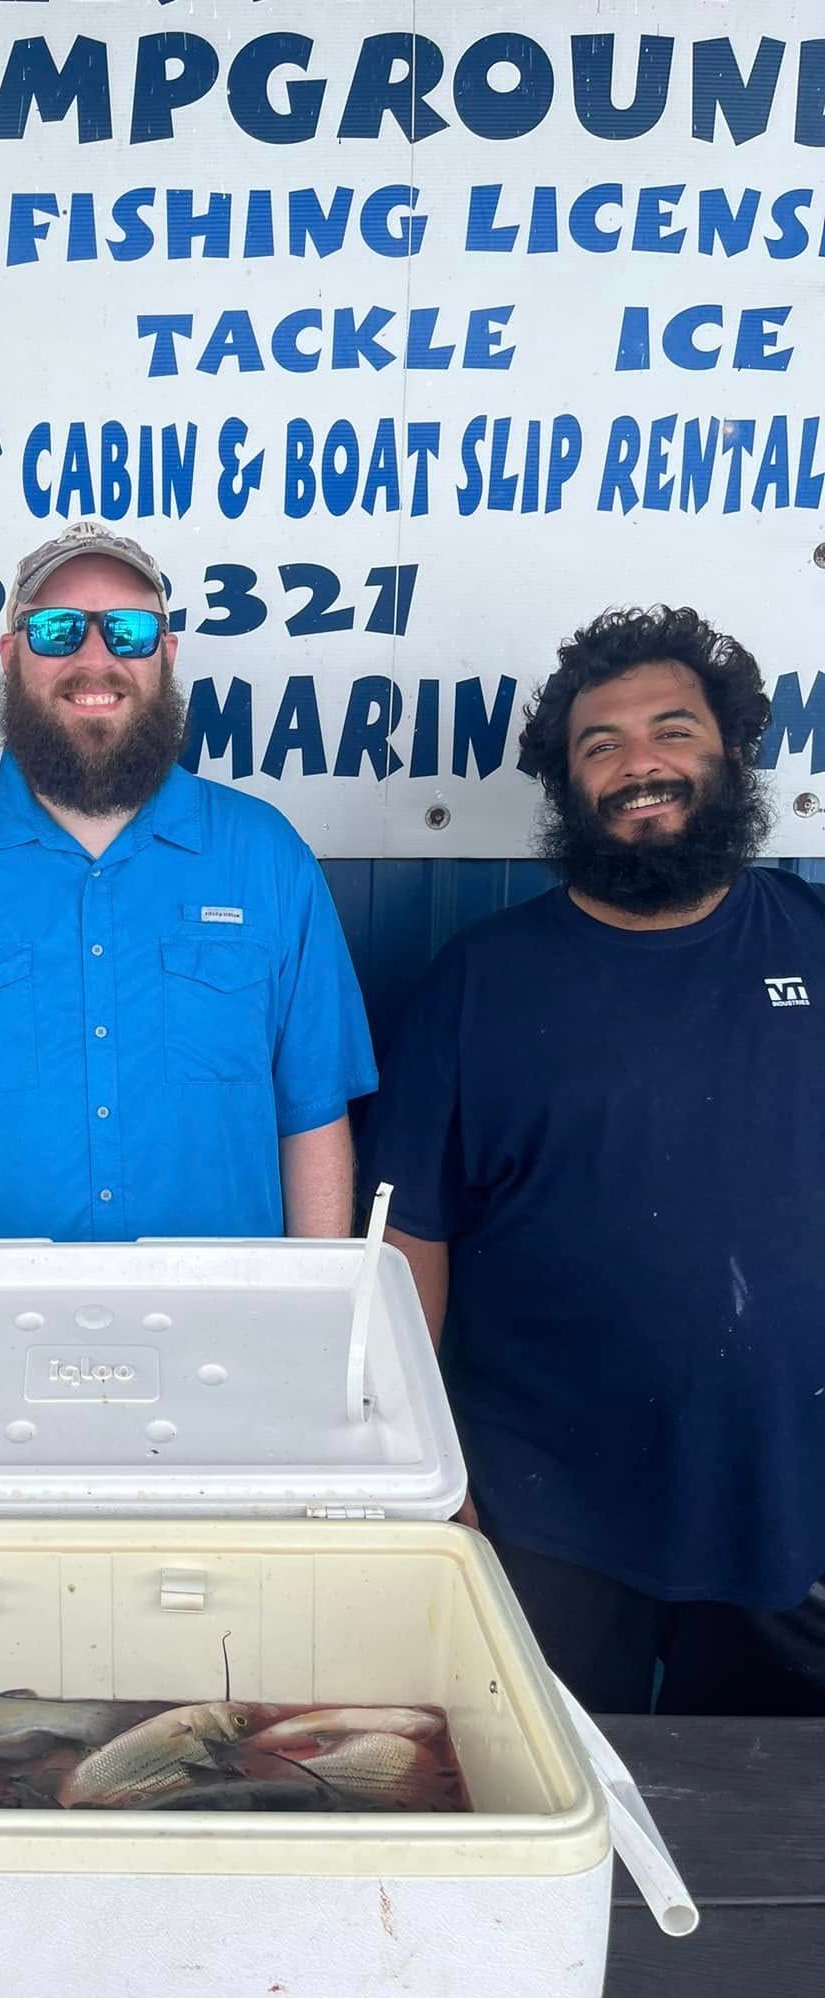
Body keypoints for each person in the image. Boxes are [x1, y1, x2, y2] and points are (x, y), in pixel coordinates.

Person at [364, 604, 825, 1713]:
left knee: (781, 1840)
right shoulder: (481, 979)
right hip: (546, 1504)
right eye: (599, 745)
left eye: (673, 731)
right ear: (568, 783)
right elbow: (408, 1238)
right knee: (547, 1808)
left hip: (789, 1492)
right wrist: (424, 1468)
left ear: (733, 752)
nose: (638, 766)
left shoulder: (814, 941)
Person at [0, 519, 376, 1243]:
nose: (95, 658)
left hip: (221, 1324)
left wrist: (318, 1319)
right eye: (58, 630)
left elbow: (311, 1117)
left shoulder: (268, 859)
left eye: (127, 631)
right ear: (11, 656)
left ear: (165, 654)